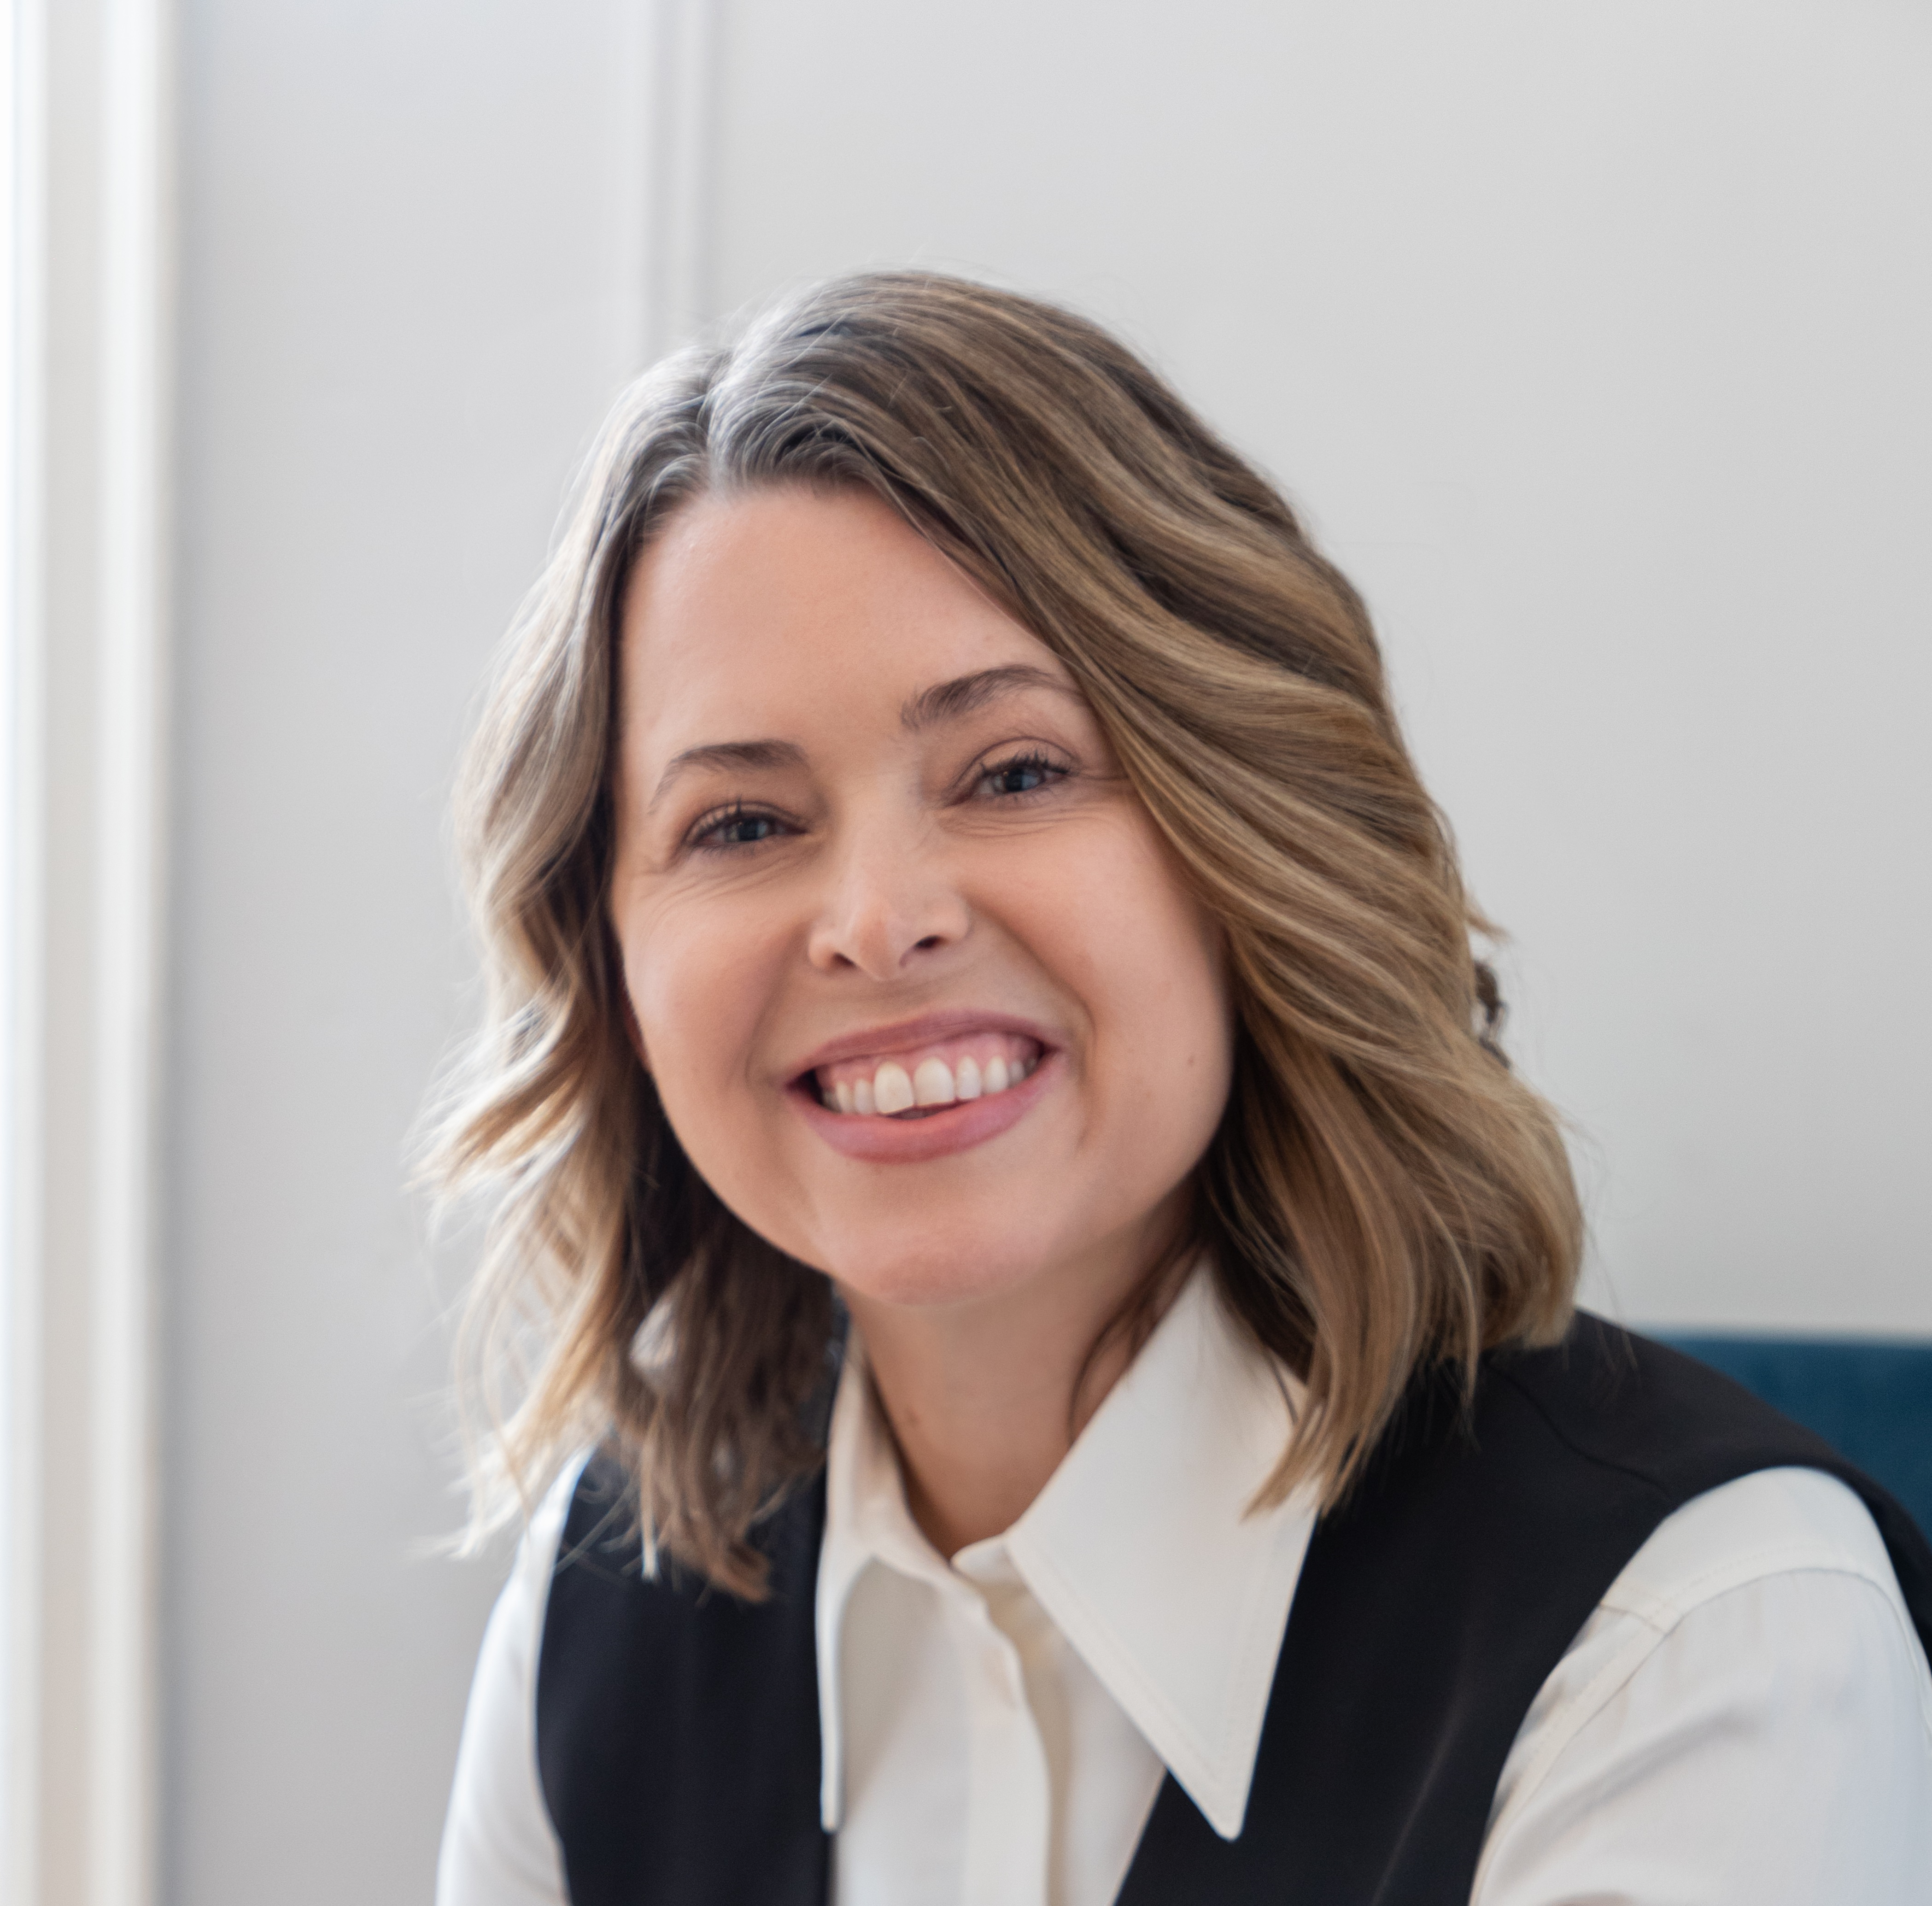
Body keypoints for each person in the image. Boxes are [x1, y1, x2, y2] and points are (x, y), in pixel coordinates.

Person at [430, 273, 1932, 1906]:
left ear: (1247, 842)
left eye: (1015, 771)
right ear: (611, 963)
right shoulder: (602, 1607)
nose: (875, 918)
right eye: (739, 824)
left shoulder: (1691, 1641)